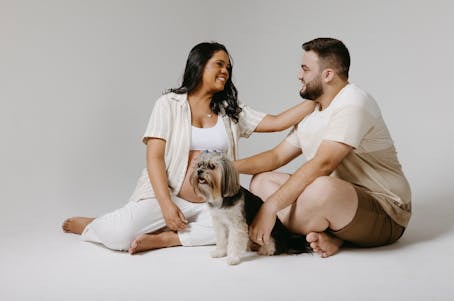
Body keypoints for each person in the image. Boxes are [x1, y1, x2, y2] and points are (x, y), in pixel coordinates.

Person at [62, 42, 315, 254]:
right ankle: (94, 224)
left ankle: (167, 238)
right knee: (119, 236)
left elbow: (277, 122)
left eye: (228, 67)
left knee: (235, 229)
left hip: (212, 202)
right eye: (219, 64)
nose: (225, 70)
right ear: (199, 64)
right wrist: (166, 205)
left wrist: (317, 100)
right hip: (168, 195)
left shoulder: (230, 111)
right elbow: (155, 158)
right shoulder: (169, 104)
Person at [235, 37, 411, 258]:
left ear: (327, 75)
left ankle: (295, 235)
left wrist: (270, 208)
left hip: (387, 212)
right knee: (261, 181)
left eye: (305, 69)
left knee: (321, 189)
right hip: (342, 200)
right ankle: (327, 234)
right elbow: (276, 156)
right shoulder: (314, 109)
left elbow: (323, 164)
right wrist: (229, 167)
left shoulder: (353, 102)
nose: (299, 76)